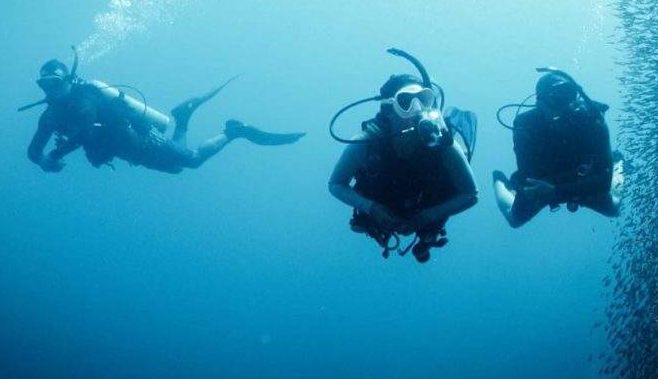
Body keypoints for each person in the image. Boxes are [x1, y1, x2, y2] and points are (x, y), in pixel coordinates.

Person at [25, 56, 303, 174]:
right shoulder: (50, 116)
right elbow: (33, 150)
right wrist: (41, 161)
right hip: (130, 152)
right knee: (177, 167)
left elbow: (85, 132)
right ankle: (182, 117)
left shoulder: (85, 99)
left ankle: (233, 131)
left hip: (143, 140)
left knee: (192, 161)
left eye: (55, 82)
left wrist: (53, 157)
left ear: (69, 80)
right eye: (44, 83)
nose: (51, 88)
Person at [328, 49, 478, 263]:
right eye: (406, 102)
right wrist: (371, 208)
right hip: (381, 206)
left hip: (427, 209)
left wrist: (428, 217)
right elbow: (336, 184)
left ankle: (427, 235)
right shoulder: (366, 141)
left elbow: (470, 194)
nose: (417, 109)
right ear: (389, 108)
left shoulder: (443, 143)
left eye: (424, 100)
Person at [492, 69, 623, 228]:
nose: (564, 106)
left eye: (568, 97)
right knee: (514, 219)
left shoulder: (593, 119)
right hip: (549, 183)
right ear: (539, 102)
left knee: (614, 209)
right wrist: (558, 190)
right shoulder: (525, 126)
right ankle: (499, 180)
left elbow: (603, 183)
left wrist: (556, 191)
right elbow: (529, 179)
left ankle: (618, 164)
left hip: (574, 180)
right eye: (555, 99)